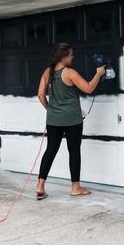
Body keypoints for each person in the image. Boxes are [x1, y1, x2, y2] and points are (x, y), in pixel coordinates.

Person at [35, 43, 105, 199]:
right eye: (71, 54)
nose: (73, 57)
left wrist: (50, 110)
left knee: (50, 150)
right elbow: (88, 88)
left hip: (53, 120)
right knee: (74, 151)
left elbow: (40, 95)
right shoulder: (69, 73)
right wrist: (98, 74)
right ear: (64, 57)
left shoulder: (48, 72)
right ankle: (75, 188)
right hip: (72, 120)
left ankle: (40, 185)